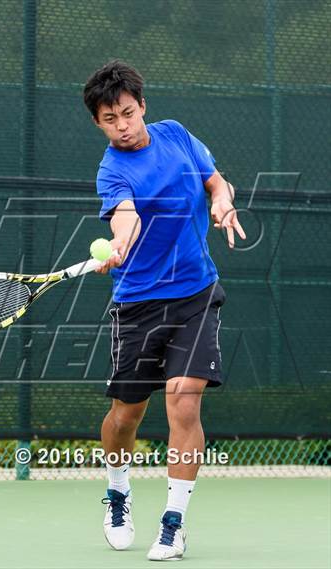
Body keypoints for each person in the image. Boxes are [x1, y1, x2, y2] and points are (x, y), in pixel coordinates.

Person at [83, 60, 246, 562]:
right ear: (98, 124)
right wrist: (119, 245)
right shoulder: (112, 170)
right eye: (110, 120)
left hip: (196, 294)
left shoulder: (175, 135)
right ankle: (117, 490)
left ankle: (173, 524)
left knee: (184, 400)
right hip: (138, 303)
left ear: (143, 106)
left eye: (128, 113)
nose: (123, 126)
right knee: (125, 417)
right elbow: (126, 219)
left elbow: (216, 182)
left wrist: (221, 201)